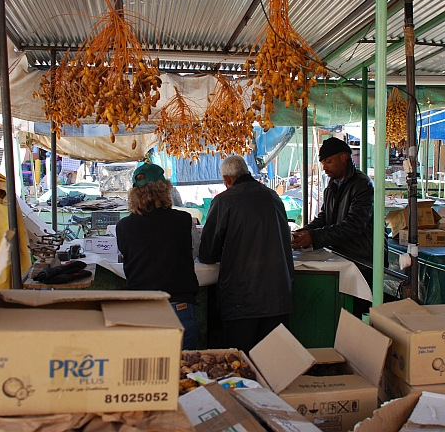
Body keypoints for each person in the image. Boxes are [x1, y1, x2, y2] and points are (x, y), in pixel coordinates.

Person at [198, 155, 294, 354]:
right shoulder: (273, 196)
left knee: (241, 361)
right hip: (278, 295)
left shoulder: (224, 201)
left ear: (227, 180)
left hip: (241, 299)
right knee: (273, 362)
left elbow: (207, 253)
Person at [291, 137, 384, 317]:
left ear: (344, 157)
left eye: (328, 161)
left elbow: (354, 225)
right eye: (323, 162)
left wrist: (315, 237)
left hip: (362, 259)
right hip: (341, 255)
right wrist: (306, 232)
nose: (324, 167)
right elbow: (325, 217)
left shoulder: (362, 185)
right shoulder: (332, 185)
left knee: (355, 314)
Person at [116, 163, 200, 350]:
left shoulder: (124, 227)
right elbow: (193, 253)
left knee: (145, 373)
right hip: (179, 305)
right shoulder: (183, 220)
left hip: (142, 308)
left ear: (134, 194)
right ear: (165, 190)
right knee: (185, 370)